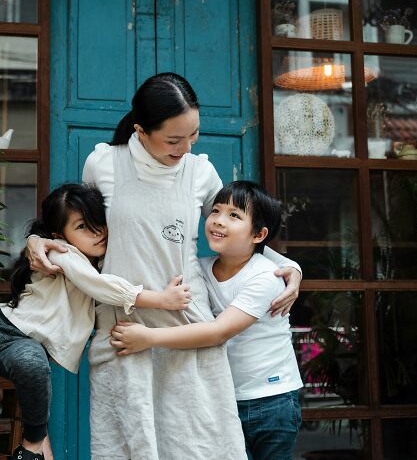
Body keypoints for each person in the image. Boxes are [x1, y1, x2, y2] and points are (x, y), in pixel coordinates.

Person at [27, 72, 302, 459]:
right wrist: (37, 240)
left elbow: (236, 231)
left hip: (186, 322)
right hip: (122, 330)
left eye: (193, 135)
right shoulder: (103, 163)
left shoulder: (201, 172)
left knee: (199, 446)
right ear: (141, 130)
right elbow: (75, 227)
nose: (186, 148)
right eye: (174, 140)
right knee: (125, 446)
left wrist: (288, 264)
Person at [0, 184, 191, 460]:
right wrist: (162, 299)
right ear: (58, 235)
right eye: (83, 226)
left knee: (35, 368)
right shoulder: (60, 253)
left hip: (25, 343)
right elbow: (99, 286)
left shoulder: (103, 262)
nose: (97, 232)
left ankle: (30, 450)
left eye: (99, 222)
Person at [109, 181, 303, 460]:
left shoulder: (265, 277)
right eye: (216, 211)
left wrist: (148, 338)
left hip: (271, 400)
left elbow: (217, 332)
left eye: (234, 216)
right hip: (222, 396)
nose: (219, 221)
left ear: (259, 234)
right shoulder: (200, 269)